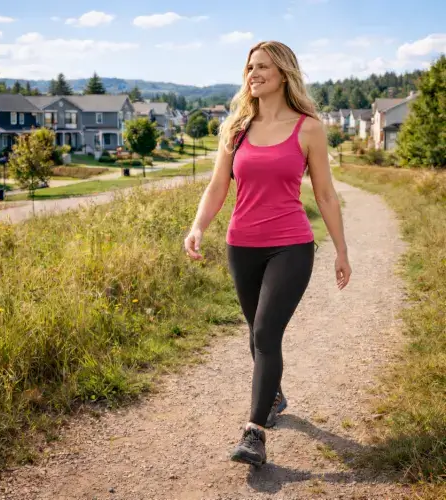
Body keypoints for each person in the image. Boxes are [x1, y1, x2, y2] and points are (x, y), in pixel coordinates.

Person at [184, 40, 352, 467]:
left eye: (262, 67)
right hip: (242, 245)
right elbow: (218, 185)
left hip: (291, 245)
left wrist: (342, 250)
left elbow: (326, 194)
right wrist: (198, 226)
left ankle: (253, 434)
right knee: (256, 334)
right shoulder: (237, 126)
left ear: (283, 73)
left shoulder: (308, 127)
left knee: (264, 333)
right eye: (250, 67)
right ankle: (273, 395)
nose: (253, 74)